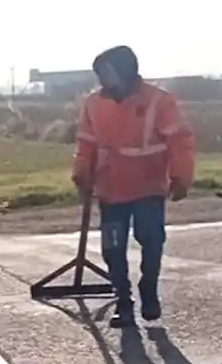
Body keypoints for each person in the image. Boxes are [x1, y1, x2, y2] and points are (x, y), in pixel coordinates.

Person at [73, 45, 196, 328]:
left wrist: (181, 177)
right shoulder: (94, 103)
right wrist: (82, 173)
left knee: (151, 239)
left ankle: (149, 289)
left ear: (126, 71)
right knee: (112, 249)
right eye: (100, 73)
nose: (103, 79)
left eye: (108, 72)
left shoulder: (159, 101)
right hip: (110, 187)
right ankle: (123, 303)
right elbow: (86, 143)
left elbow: (181, 140)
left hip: (148, 186)